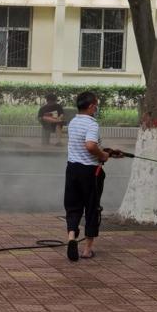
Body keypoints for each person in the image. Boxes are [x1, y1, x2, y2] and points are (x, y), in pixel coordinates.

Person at [64, 91, 122, 261]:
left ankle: (71, 238)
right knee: (91, 208)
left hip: (72, 169)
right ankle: (87, 250)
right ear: (90, 106)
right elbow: (90, 146)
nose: (97, 108)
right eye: (96, 105)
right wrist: (103, 155)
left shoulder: (73, 122)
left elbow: (83, 145)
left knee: (73, 206)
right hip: (90, 173)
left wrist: (107, 152)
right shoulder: (91, 124)